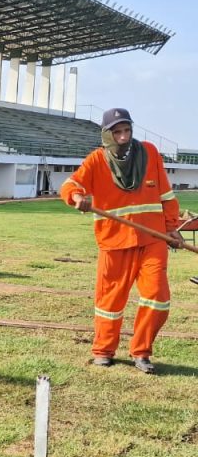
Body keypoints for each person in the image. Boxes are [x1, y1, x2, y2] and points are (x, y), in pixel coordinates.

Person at [59, 107, 183, 374]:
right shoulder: (96, 160)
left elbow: (166, 196)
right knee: (110, 302)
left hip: (153, 240)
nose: (124, 137)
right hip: (114, 243)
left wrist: (172, 228)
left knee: (158, 299)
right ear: (107, 134)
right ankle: (103, 350)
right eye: (117, 132)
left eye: (127, 130)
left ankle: (141, 352)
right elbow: (70, 185)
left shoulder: (149, 152)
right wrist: (77, 198)